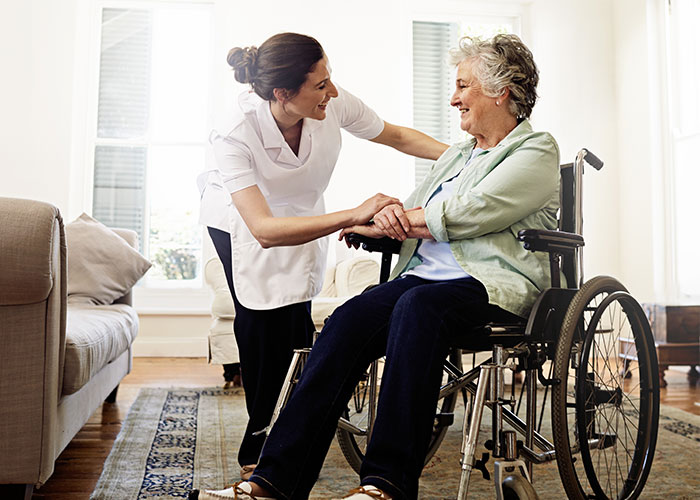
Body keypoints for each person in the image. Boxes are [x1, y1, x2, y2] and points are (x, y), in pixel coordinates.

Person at [191, 33, 560, 500]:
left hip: (489, 285)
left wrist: (394, 219)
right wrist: (373, 224)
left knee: (419, 309)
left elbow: (472, 210)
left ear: (500, 91)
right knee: (347, 320)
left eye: (463, 87)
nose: (453, 98)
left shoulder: (535, 150)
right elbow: (413, 209)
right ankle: (272, 480)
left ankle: (385, 484)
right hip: (419, 279)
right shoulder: (461, 156)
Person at [197, 32, 449, 483]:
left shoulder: (331, 102)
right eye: (320, 85)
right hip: (242, 218)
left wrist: (469, 158)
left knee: (295, 318)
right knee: (260, 321)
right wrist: (354, 214)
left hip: (300, 210)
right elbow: (264, 231)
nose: (331, 92)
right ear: (282, 94)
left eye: (330, 79)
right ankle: (260, 440)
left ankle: (288, 428)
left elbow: (395, 136)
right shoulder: (234, 132)